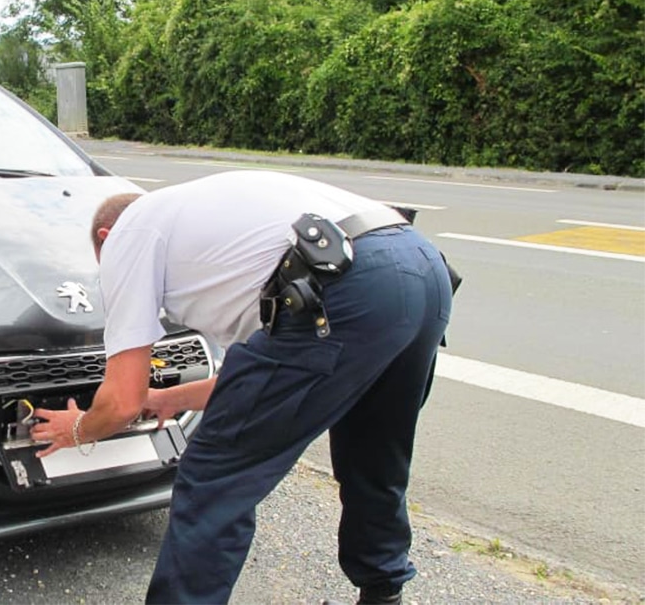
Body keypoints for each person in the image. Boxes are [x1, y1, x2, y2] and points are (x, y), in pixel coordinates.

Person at [30, 170, 454, 605]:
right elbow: (253, 380)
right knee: (375, 451)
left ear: (105, 237)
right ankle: (383, 593)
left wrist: (77, 428)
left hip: (340, 285)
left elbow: (121, 402)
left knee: (215, 476)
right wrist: (166, 400)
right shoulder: (214, 229)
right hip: (419, 265)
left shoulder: (129, 234)